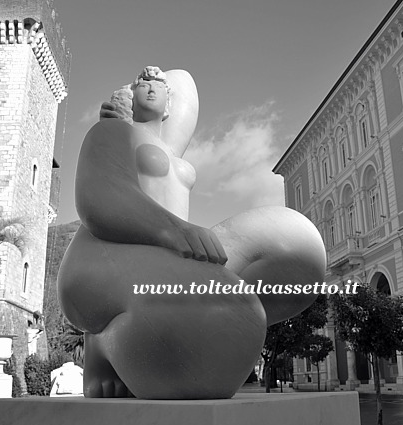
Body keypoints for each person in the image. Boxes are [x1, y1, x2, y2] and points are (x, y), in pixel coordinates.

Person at [57, 67, 326, 399]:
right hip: (109, 253)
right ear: (130, 94)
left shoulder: (171, 151)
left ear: (171, 106)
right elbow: (99, 197)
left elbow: (185, 84)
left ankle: (166, 324)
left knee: (301, 247)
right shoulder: (113, 132)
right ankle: (105, 341)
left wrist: (183, 238)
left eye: (159, 85)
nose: (152, 88)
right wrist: (173, 230)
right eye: (143, 84)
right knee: (221, 316)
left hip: (174, 255)